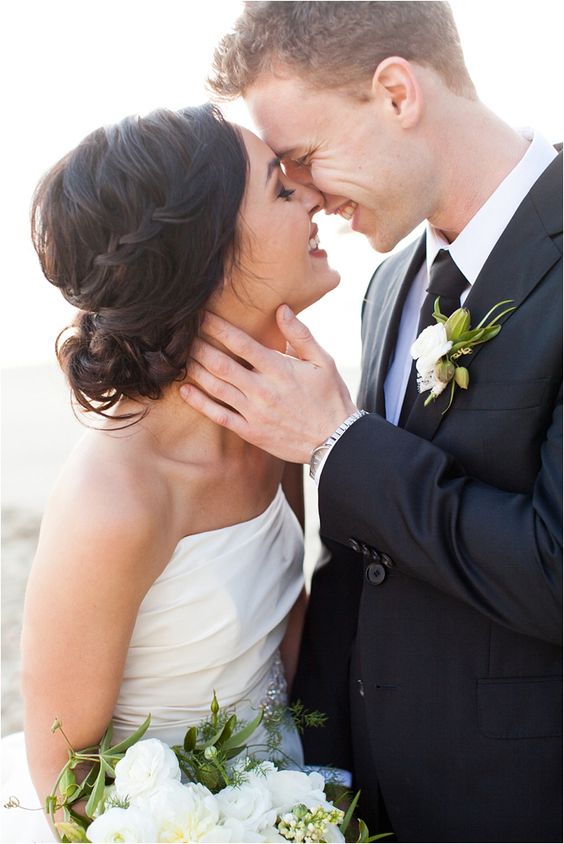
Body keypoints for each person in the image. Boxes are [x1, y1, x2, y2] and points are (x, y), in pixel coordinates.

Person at [179, 2, 563, 841]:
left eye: (303, 159)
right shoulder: (391, 286)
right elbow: (359, 561)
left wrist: (337, 443)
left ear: (396, 93)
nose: (306, 197)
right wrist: (315, 782)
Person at [0, 103, 341, 842]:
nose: (314, 198)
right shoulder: (116, 501)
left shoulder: (276, 420)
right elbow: (64, 780)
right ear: (211, 258)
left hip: (293, 794)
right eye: (282, 191)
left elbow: (287, 646)